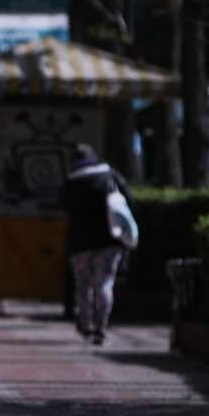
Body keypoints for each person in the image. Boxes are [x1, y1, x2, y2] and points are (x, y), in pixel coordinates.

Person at [60, 144, 132, 345]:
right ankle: (101, 327)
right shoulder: (111, 177)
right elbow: (128, 202)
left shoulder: (71, 183)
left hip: (80, 243)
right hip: (110, 240)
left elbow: (63, 207)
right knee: (105, 283)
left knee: (83, 285)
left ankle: (85, 324)